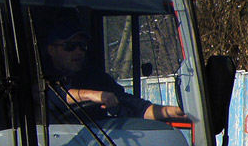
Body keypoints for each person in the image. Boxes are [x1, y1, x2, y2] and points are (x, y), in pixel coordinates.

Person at [41, 13, 187, 122]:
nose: (78, 51)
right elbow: (50, 95)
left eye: (82, 46)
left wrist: (174, 111)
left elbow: (133, 107)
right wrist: (91, 95)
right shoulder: (38, 75)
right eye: (70, 46)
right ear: (51, 50)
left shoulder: (95, 78)